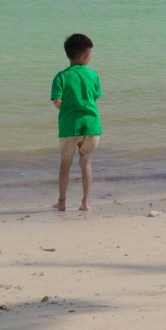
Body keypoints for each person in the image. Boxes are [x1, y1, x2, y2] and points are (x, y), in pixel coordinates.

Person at [50, 32, 101, 212]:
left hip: (69, 126)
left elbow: (57, 101)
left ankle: (62, 202)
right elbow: (94, 97)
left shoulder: (61, 77)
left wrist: (67, 109)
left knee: (65, 163)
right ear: (86, 55)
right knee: (85, 161)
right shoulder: (93, 75)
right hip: (92, 126)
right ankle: (85, 203)